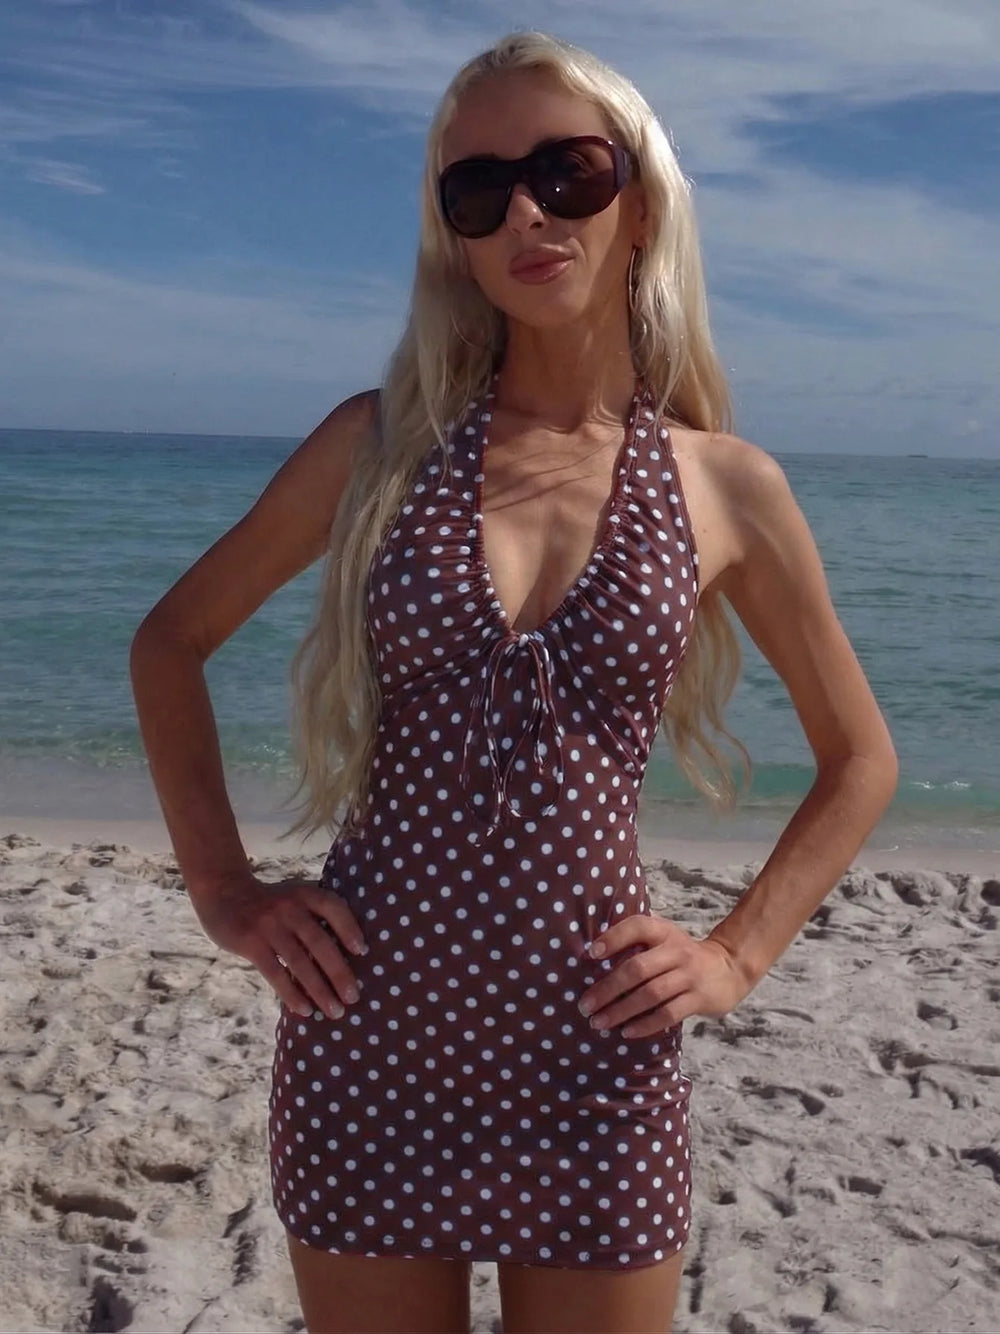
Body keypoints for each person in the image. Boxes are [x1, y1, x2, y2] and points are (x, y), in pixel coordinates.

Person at [130, 29, 898, 1334]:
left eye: (567, 171)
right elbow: (170, 643)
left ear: (639, 203)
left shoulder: (726, 486)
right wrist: (226, 892)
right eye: (479, 192)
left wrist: (734, 955)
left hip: (596, 1045)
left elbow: (860, 755)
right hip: (372, 1031)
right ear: (456, 240)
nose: (528, 212)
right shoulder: (376, 445)